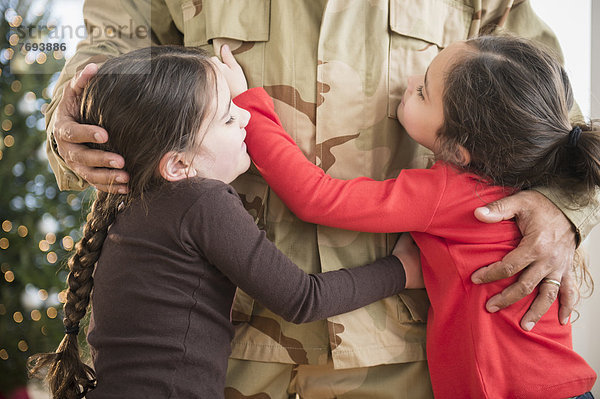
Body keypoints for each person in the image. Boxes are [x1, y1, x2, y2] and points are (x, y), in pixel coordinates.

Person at [44, 1, 600, 397]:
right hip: (222, 349)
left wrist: (563, 209)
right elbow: (109, 48)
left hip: (410, 358)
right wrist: (72, 124)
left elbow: (550, 113)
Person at [28, 45, 425, 399]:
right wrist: (401, 269)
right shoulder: (201, 202)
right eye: (227, 117)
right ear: (179, 163)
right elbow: (303, 299)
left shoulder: (134, 203)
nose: (245, 118)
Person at [227, 35, 599, 398]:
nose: (406, 83)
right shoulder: (530, 171)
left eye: (422, 91)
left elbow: (315, 197)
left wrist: (248, 109)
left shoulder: (449, 194)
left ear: (458, 148)